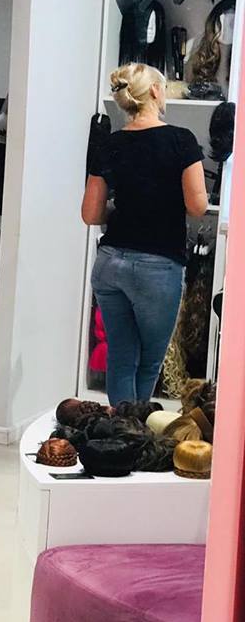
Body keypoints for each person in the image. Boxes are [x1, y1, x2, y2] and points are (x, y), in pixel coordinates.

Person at [81, 62, 208, 405]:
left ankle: (121, 431)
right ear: (154, 90)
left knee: (122, 358)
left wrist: (120, 210)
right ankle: (134, 430)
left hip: (111, 264)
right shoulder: (181, 140)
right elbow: (198, 206)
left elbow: (90, 214)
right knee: (150, 361)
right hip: (158, 266)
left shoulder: (110, 144)